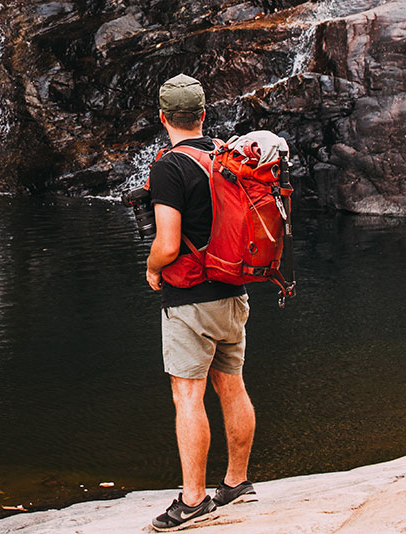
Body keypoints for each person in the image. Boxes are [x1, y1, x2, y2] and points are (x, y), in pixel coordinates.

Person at [146, 74, 258, 532]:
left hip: (190, 297)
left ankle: (193, 502)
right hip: (234, 291)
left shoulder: (170, 166)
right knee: (232, 384)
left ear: (163, 117)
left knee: (187, 395)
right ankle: (236, 483)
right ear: (204, 114)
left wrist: (152, 268)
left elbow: (168, 244)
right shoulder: (225, 154)